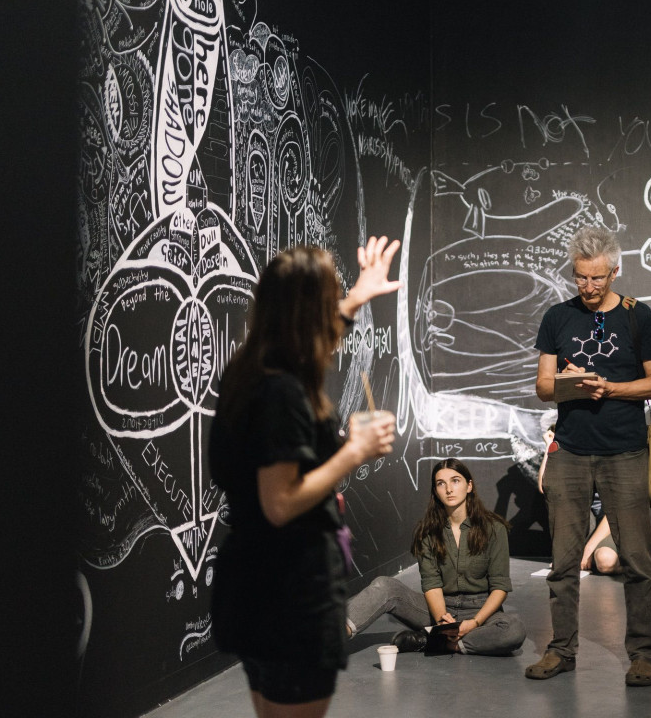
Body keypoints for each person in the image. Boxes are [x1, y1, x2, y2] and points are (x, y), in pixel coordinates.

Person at [209, 239, 401, 717]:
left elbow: (318, 333)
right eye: (329, 298)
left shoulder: (253, 369)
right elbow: (281, 501)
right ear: (305, 314)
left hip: (258, 585)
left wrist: (358, 296)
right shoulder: (283, 393)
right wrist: (354, 452)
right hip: (289, 591)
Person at [526, 225, 651, 686]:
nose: (587, 287)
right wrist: (569, 383)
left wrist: (610, 388)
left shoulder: (637, 316)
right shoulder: (556, 317)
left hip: (625, 452)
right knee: (563, 563)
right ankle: (561, 650)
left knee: (639, 562)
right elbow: (543, 388)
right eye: (580, 278)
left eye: (597, 278)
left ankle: (643, 655)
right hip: (569, 451)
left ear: (615, 271)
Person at [345, 459, 526, 656]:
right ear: (435, 491)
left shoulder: (494, 528)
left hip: (480, 611)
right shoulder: (427, 531)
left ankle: (437, 643)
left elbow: (500, 587)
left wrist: (475, 622)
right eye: (441, 483)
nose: (449, 489)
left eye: (455, 481)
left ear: (469, 486)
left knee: (514, 630)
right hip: (438, 609)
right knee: (385, 586)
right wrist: (441, 620)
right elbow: (431, 584)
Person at [538, 427, 621, 575]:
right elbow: (545, 487)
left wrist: (588, 549)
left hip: (611, 524)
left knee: (605, 560)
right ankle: (578, 555)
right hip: (585, 523)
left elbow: (616, 511)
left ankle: (630, 563)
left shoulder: (607, 453)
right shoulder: (570, 459)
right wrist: (550, 446)